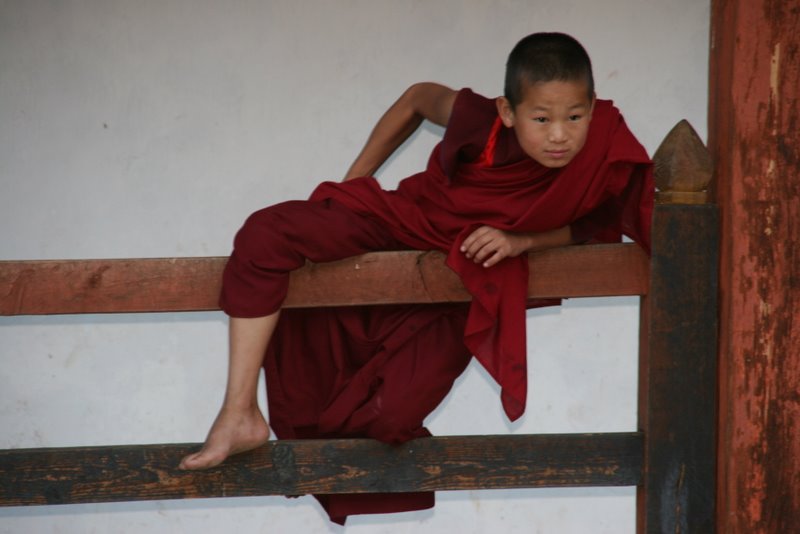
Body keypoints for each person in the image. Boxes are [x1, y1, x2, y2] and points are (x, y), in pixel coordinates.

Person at [178, 32, 653, 523]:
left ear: (593, 108)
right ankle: (239, 412)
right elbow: (418, 97)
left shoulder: (605, 144)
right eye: (541, 119)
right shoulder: (482, 123)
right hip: (410, 219)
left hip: (468, 278)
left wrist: (523, 242)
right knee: (266, 233)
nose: (560, 135)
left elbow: (600, 225)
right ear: (507, 112)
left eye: (575, 117)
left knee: (392, 416)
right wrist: (351, 184)